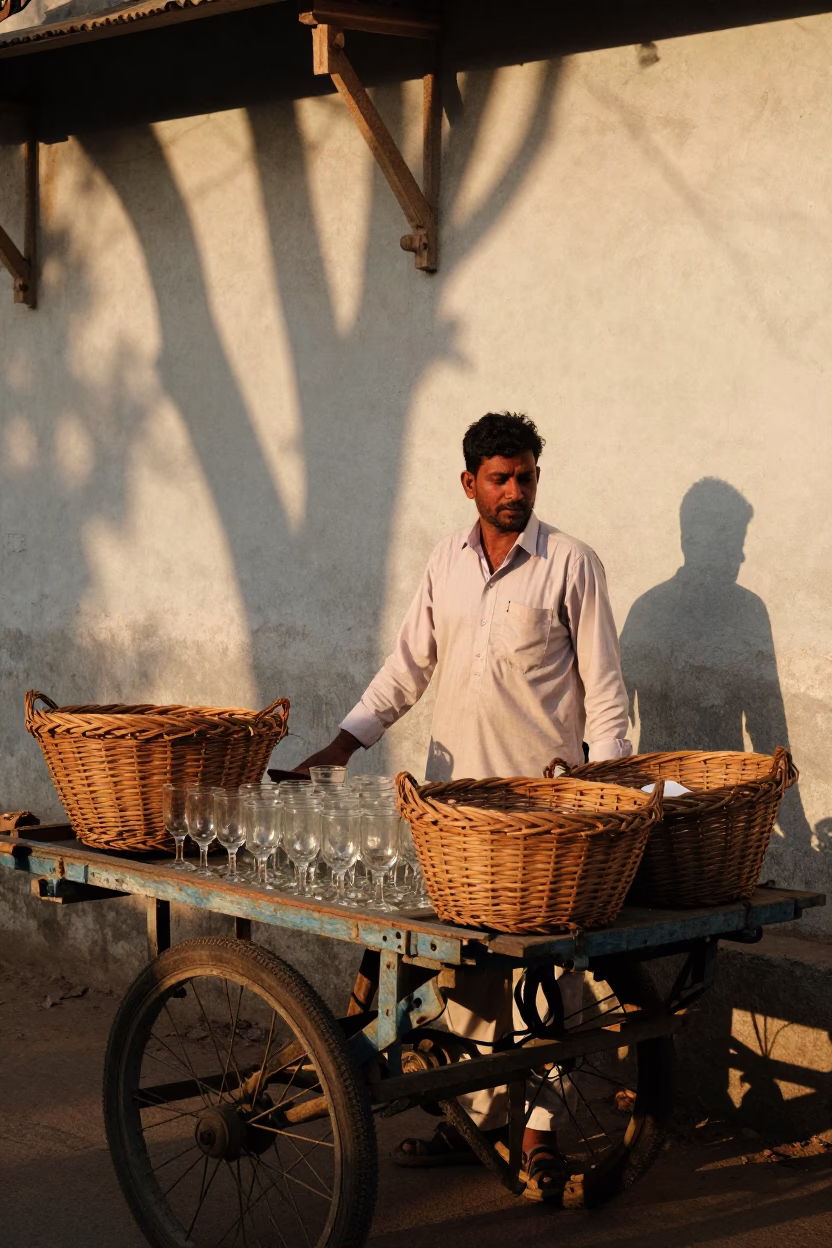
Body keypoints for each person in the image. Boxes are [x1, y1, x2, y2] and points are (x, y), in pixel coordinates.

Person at [299, 411, 633, 1196]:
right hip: (453, 812)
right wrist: (346, 742)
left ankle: (541, 1131)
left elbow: (607, 694)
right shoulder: (443, 563)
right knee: (468, 978)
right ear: (469, 483)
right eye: (500, 478)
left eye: (526, 476)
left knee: (547, 977)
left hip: (543, 813)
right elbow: (406, 668)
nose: (515, 490)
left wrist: (609, 795)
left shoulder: (572, 564)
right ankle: (479, 1125)